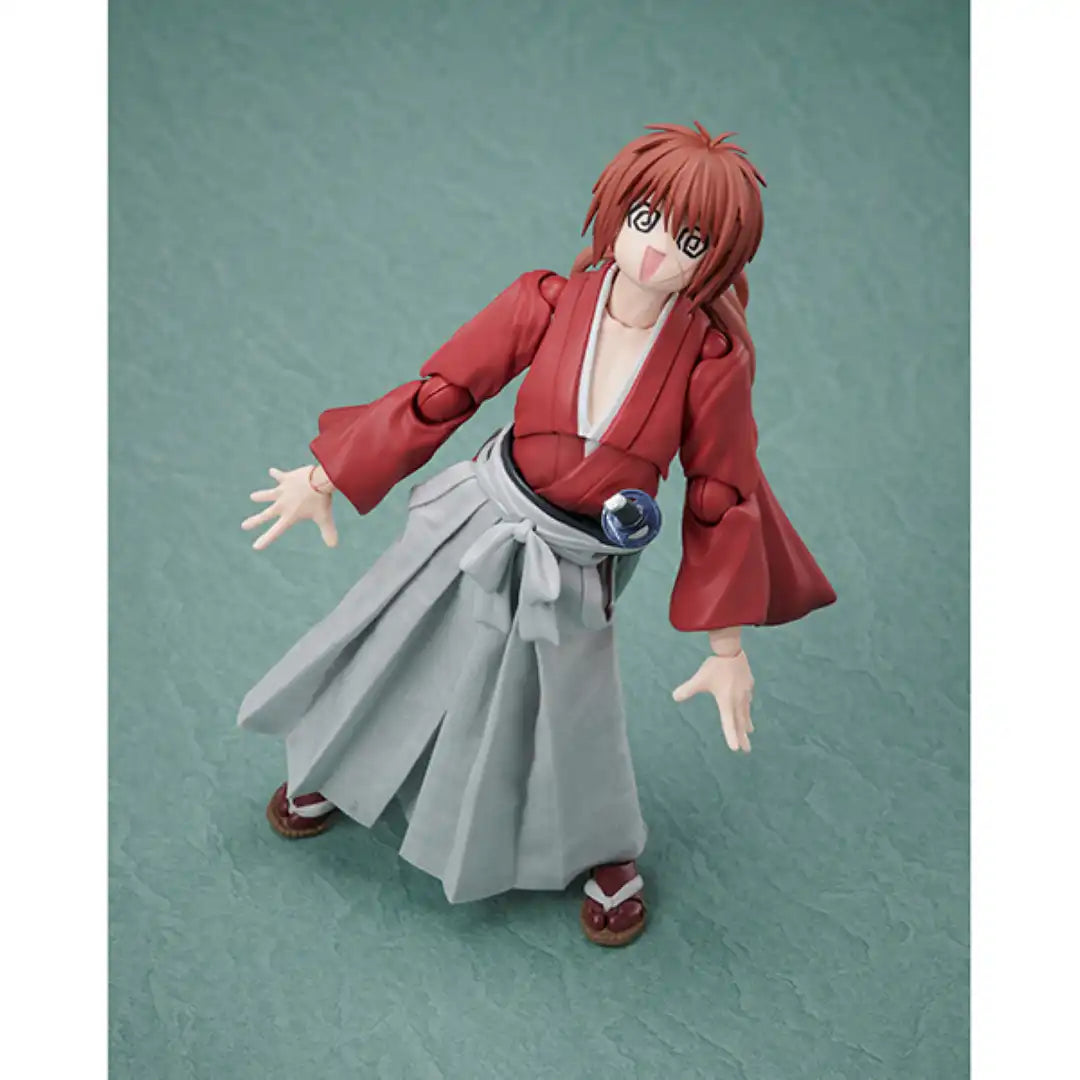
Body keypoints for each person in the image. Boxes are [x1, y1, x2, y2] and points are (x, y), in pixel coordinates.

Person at [237, 122, 836, 947]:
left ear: (717, 260)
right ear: (616, 212)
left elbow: (718, 496)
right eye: (647, 219)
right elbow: (445, 392)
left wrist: (725, 646)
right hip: (482, 511)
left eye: (690, 240)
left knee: (570, 706)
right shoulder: (547, 301)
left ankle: (600, 848)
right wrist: (330, 474)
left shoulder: (710, 360)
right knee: (400, 642)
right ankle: (337, 767)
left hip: (581, 556)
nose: (657, 250)